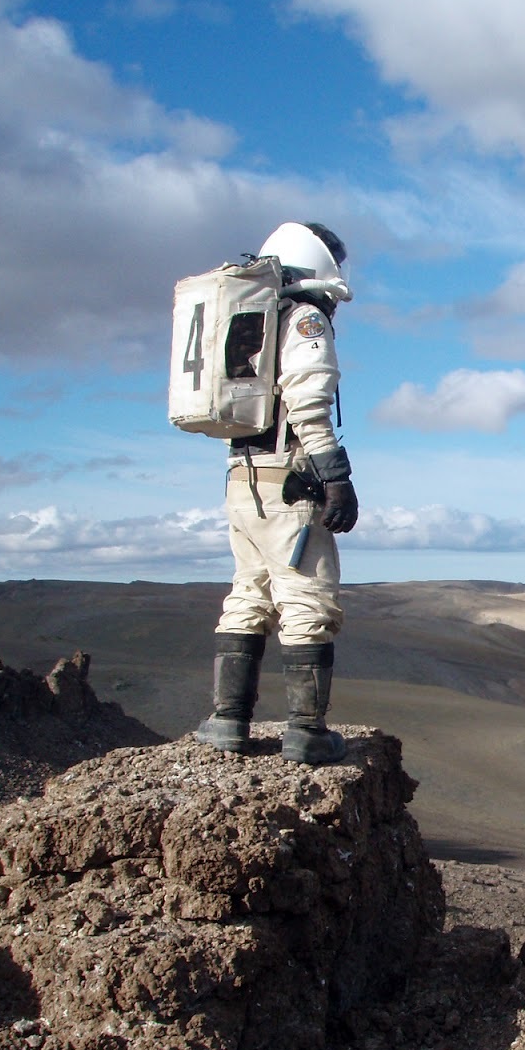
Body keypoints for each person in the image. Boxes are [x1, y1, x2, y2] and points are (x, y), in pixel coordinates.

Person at [195, 221, 358, 764]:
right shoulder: (303, 317)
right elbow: (308, 402)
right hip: (290, 483)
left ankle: (228, 721)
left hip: (242, 479)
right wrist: (335, 475)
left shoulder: (250, 321)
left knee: (249, 593)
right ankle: (306, 731)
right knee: (307, 598)